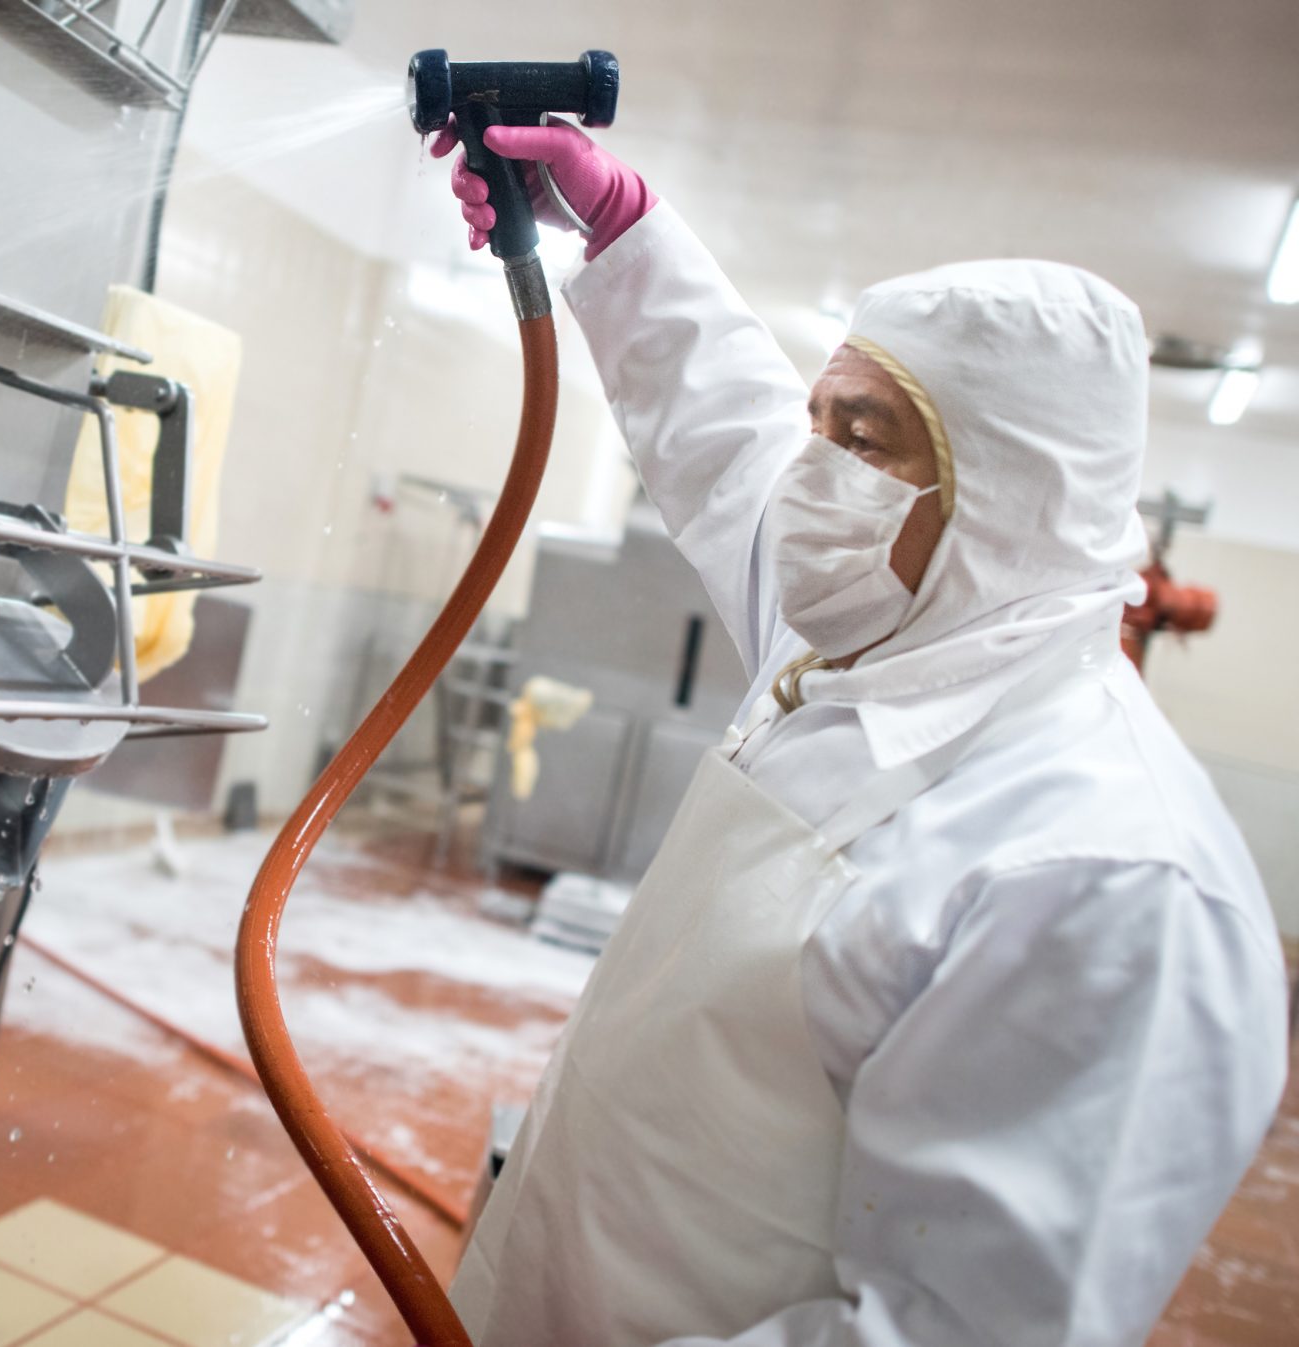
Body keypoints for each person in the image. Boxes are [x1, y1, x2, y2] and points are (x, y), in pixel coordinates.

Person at [429, 118, 1290, 1346]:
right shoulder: (868, 635)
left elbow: (961, 1330)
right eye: (818, 422)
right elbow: (724, 434)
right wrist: (621, 230)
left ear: (1006, 501)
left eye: (864, 439)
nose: (807, 475)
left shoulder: (1107, 882)